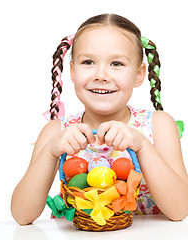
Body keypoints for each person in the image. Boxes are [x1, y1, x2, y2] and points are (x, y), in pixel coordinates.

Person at [11, 13, 188, 225]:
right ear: (73, 71)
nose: (101, 75)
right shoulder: (56, 132)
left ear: (139, 74)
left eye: (116, 63)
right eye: (88, 62)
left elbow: (180, 210)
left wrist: (142, 146)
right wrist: (50, 151)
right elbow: (22, 216)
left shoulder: (158, 125)